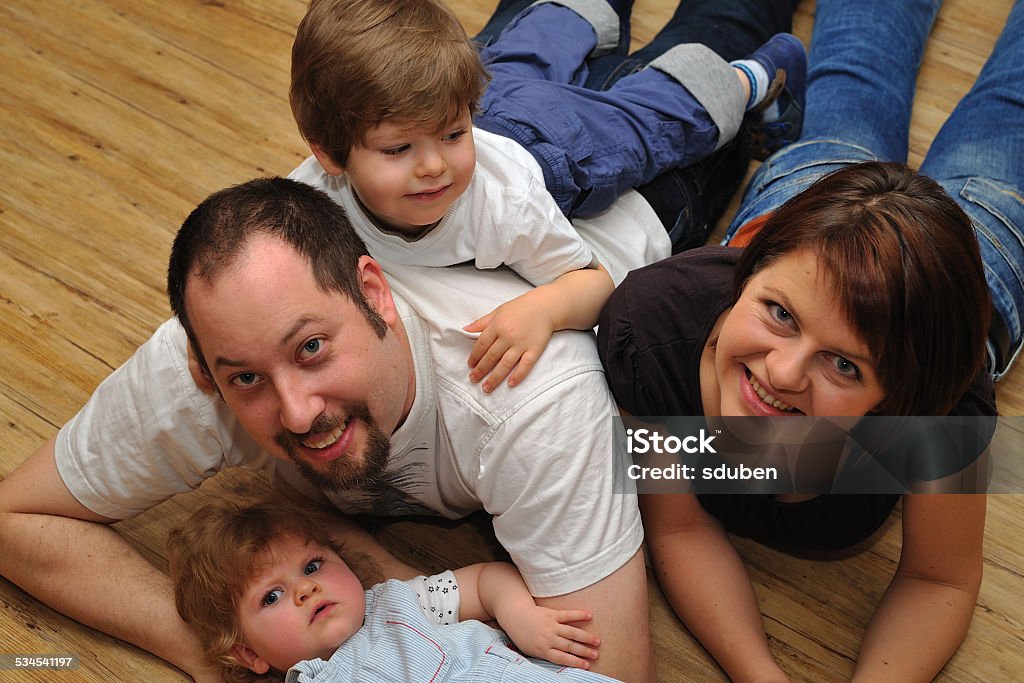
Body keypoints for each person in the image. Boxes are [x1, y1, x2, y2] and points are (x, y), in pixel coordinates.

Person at [0, 2, 799, 681]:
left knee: (715, 37)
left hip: (623, 201)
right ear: (205, 370)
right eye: (243, 378)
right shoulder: (219, 344)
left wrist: (388, 624)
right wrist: (223, 654)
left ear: (373, 290)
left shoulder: (533, 399)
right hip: (483, 155)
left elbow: (608, 669)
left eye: (312, 348)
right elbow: (14, 519)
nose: (295, 409)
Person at [597, 0, 1024, 680]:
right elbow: (677, 526)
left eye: (846, 364)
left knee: (1012, 102)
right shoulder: (650, 335)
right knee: (855, 71)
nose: (784, 371)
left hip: (978, 262)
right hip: (822, 211)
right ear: (748, 275)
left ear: (897, 403)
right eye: (779, 315)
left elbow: (940, 580)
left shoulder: (942, 411)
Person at [288, 0, 806, 392]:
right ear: (329, 155)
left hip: (556, 144)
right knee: (516, 59)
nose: (434, 166)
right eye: (399, 148)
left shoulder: (505, 208)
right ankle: (574, 14)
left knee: (650, 124)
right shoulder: (309, 194)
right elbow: (246, 243)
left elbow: (589, 279)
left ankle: (753, 78)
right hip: (496, 101)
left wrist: (545, 310)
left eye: (451, 136)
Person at [169, 497, 620, 682]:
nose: (305, 588)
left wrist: (521, 617)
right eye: (271, 596)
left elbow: (484, 581)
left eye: (312, 565)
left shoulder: (404, 601)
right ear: (249, 655)